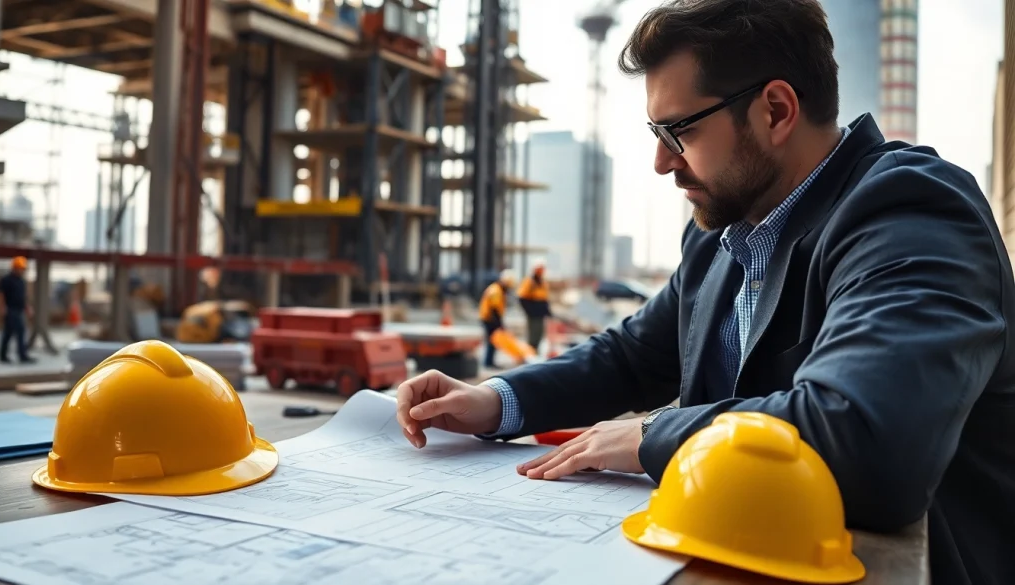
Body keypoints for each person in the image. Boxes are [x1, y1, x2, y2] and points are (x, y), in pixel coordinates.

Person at [395, 1, 1015, 583]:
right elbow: (630, 356)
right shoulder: (725, 234)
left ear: (776, 110)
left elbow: (870, 440)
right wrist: (495, 400)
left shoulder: (909, 212)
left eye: (679, 132)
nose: (663, 164)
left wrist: (648, 436)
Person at [0, 256, 35, 364]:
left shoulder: (21, 281)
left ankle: (3, 356)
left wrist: (27, 308)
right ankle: (22, 356)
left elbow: (23, 297)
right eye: (20, 268)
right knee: (19, 331)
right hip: (10, 310)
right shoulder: (6, 280)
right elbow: (0, 294)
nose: (22, 270)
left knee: (8, 333)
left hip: (19, 309)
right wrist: (2, 308)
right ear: (14, 268)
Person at [478, 269, 515, 368]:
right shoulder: (496, 291)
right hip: (489, 319)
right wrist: (499, 324)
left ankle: (489, 361)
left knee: (493, 341)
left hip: (490, 318)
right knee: (492, 341)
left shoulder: (497, 289)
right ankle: (488, 362)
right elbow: (494, 309)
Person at [516, 262, 551, 353]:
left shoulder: (542, 282)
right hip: (533, 312)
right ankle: (530, 351)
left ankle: (535, 350)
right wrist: (529, 310)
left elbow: (544, 298)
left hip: (540, 312)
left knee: (539, 332)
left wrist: (547, 310)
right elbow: (522, 297)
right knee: (533, 333)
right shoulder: (529, 281)